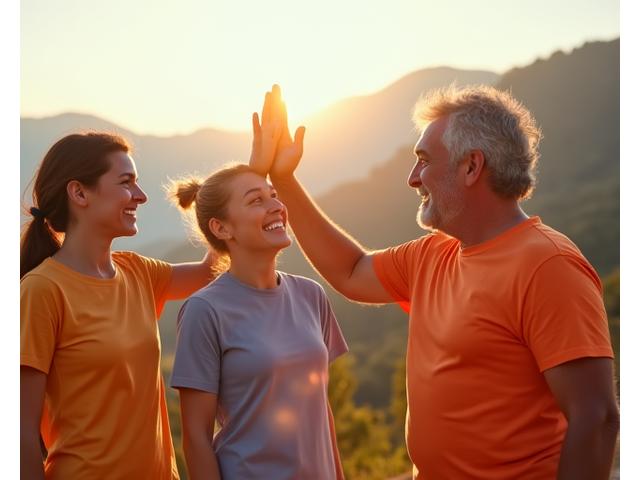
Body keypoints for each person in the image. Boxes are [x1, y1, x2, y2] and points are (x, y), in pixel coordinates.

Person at [259, 85, 620, 479]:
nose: (413, 179)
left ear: (471, 167)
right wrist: (284, 179)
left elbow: (596, 417)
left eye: (423, 161)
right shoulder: (434, 254)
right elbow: (351, 271)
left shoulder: (548, 265)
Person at [168, 86, 347, 480]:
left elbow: (321, 410)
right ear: (221, 227)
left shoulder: (310, 295)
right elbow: (195, 438)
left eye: (273, 195)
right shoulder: (204, 310)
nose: (276, 206)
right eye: (256, 201)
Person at [20, 132, 218, 479]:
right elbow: (20, 432)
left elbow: (209, 271)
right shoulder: (42, 290)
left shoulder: (138, 271)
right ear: (79, 192)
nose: (141, 196)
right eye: (126, 182)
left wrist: (256, 174)